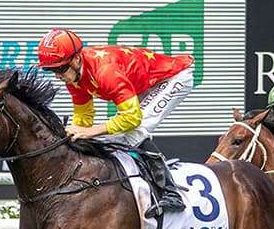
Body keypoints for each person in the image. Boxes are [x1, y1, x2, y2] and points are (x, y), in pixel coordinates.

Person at [36, 28, 194, 217]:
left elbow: (132, 118)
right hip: (145, 86)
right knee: (118, 136)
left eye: (60, 69)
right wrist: (73, 136)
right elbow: (83, 118)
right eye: (51, 70)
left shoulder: (105, 71)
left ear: (76, 59)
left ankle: (170, 192)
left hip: (174, 78)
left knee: (135, 130)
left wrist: (94, 131)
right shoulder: (75, 79)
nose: (57, 75)